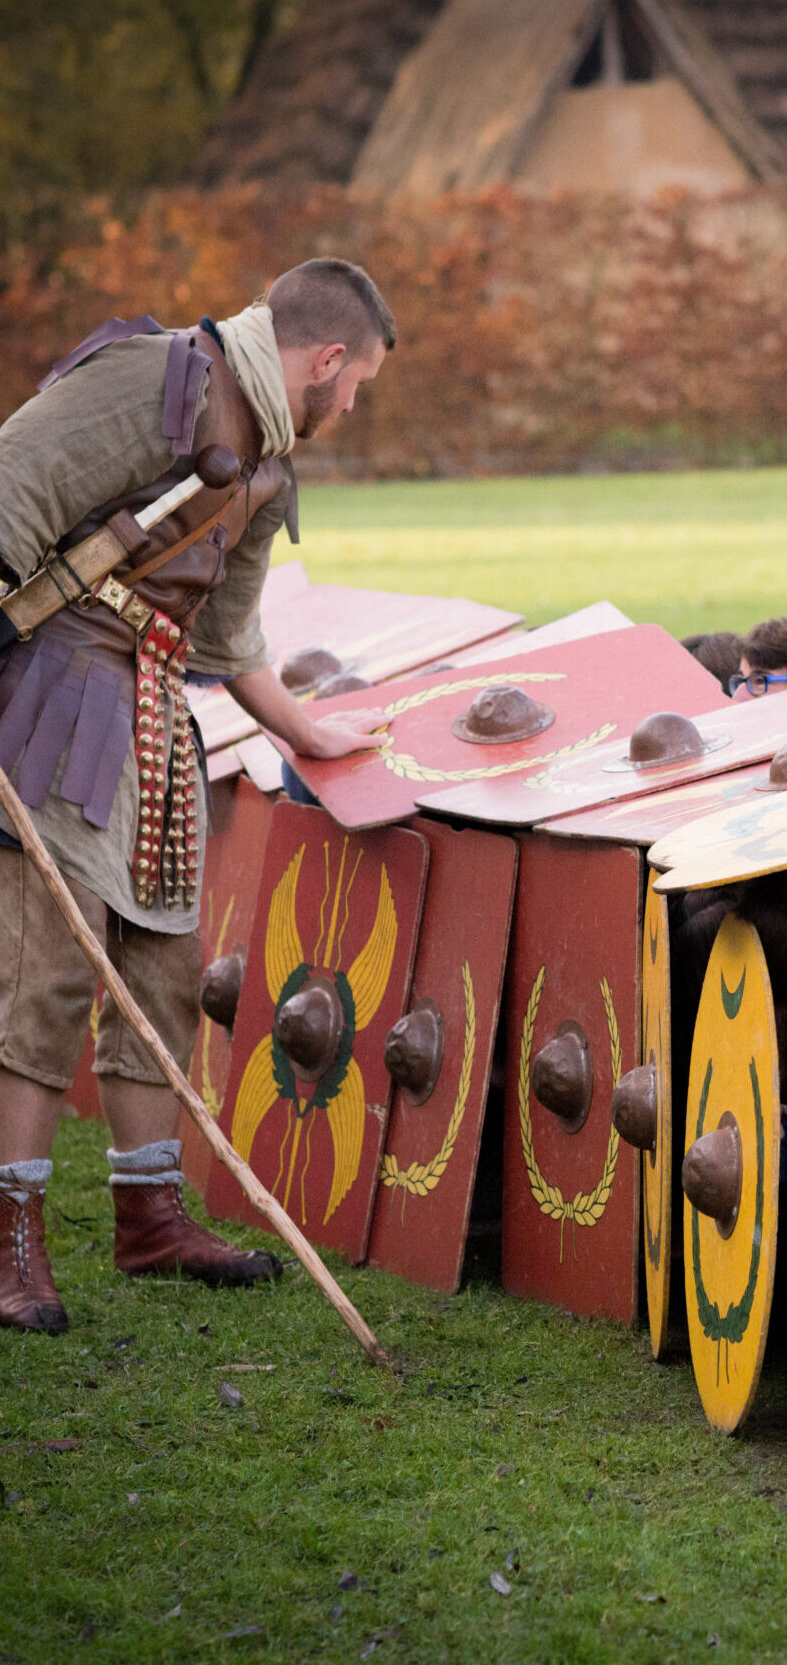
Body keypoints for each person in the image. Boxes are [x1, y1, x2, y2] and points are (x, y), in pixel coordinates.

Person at [0, 258, 393, 1334]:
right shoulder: (156, 378)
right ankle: (9, 1244)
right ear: (323, 360)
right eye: (356, 380)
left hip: (153, 710)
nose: (353, 404)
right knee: (43, 977)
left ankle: (148, 1215)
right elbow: (11, 482)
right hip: (53, 703)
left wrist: (310, 730)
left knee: (163, 966)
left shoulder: (270, 460)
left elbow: (227, 641)